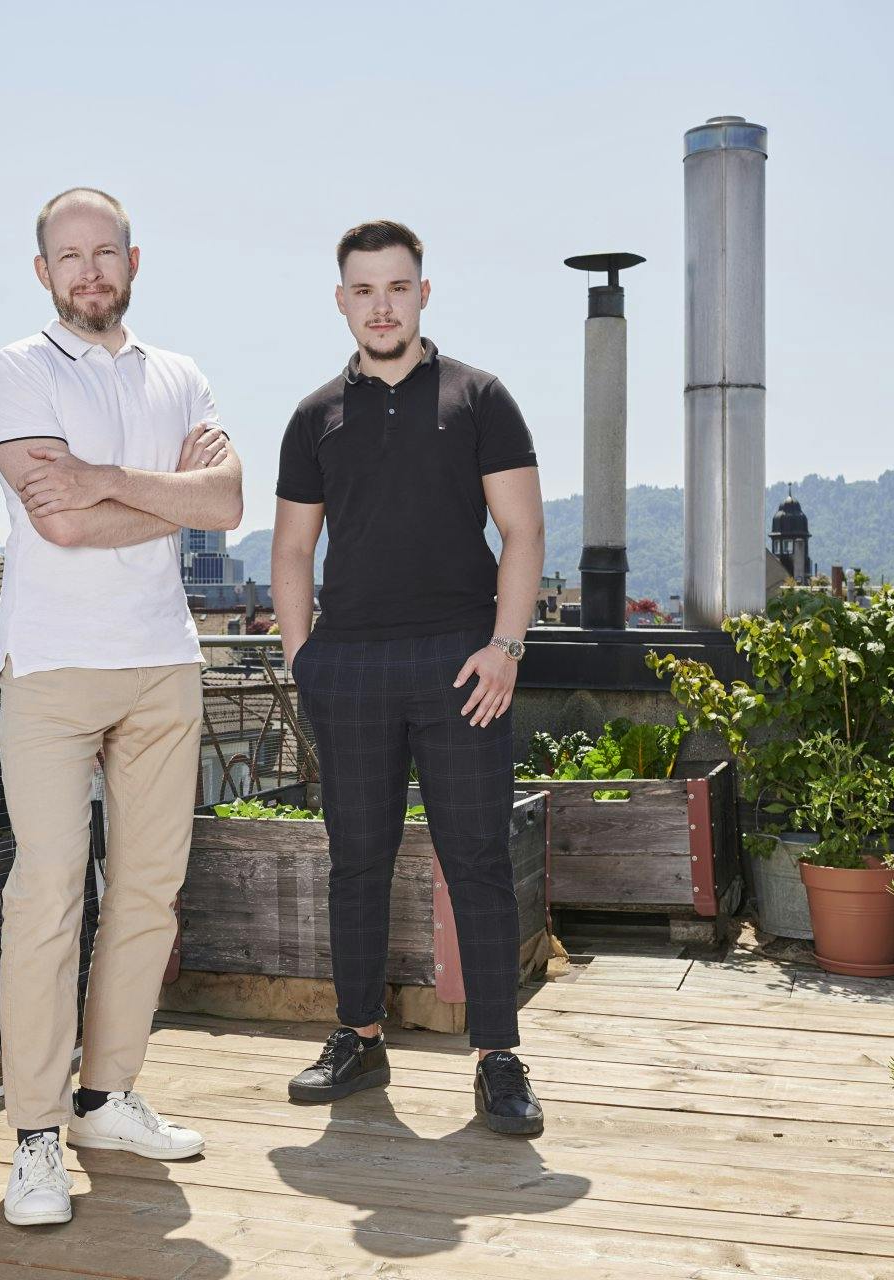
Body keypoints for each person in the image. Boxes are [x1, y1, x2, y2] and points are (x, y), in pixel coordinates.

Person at [0, 187, 244, 1226]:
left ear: (134, 260)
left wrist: (102, 479)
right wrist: (153, 496)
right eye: (68, 255)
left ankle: (104, 1096)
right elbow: (61, 527)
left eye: (105, 252)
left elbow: (225, 505)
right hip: (49, 667)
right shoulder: (15, 370)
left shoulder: (181, 375)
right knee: (45, 897)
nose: (89, 270)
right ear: (43, 271)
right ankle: (36, 1135)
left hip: (162, 664)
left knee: (147, 894)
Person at [270, 219, 547, 1137]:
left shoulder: (480, 397)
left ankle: (498, 1057)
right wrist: (304, 659)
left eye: (397, 287)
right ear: (341, 300)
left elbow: (523, 534)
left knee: (475, 860)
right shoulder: (314, 417)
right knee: (356, 861)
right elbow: (292, 549)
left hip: (461, 662)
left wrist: (505, 647)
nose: (380, 304)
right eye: (363, 289)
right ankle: (358, 1037)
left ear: (423, 293)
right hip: (348, 666)